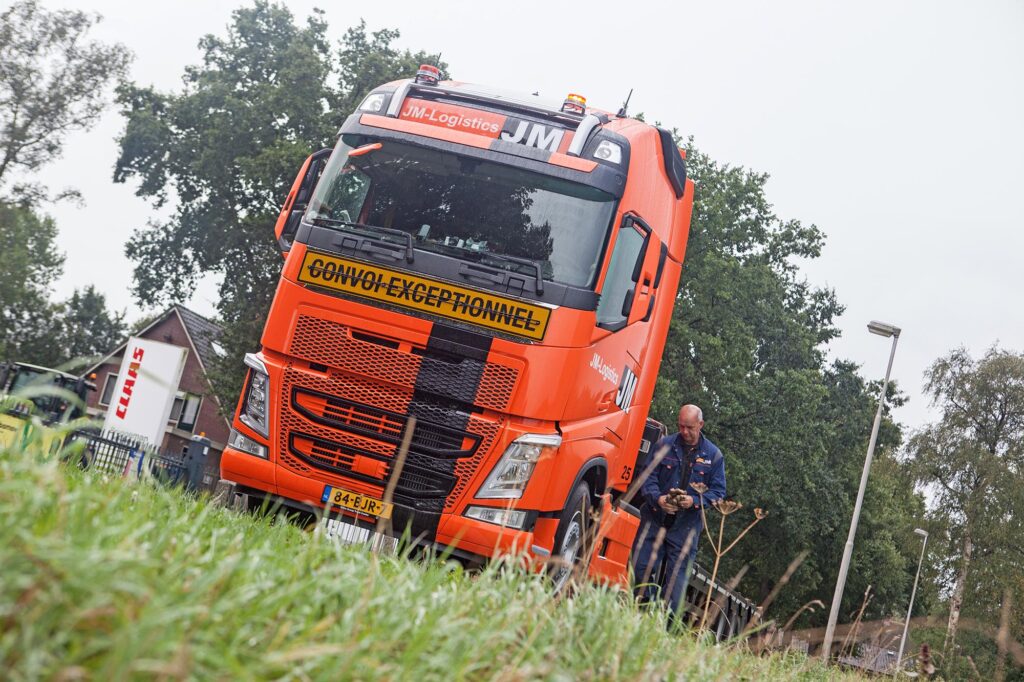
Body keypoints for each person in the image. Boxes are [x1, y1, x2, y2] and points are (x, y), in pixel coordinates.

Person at [632, 404, 726, 616]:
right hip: (655, 519)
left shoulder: (714, 456)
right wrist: (658, 498)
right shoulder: (664, 445)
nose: (684, 431)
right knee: (640, 568)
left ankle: (662, 626)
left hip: (686, 528)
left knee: (675, 589)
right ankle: (642, 614)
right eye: (681, 426)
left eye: (690, 427)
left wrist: (693, 501)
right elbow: (647, 476)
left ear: (700, 425)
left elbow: (718, 492)